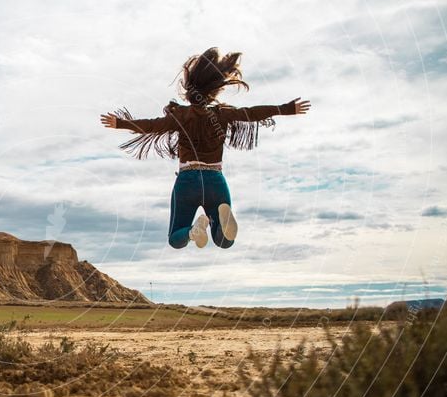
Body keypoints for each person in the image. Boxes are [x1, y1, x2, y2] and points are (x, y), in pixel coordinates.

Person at [100, 47, 310, 249]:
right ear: (214, 89)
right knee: (224, 242)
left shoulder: (180, 116)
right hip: (214, 180)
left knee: (175, 238)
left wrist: (121, 123)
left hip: (187, 181)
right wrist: (285, 109)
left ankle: (192, 232)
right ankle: (221, 224)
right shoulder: (222, 114)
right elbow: (251, 113)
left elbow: (151, 126)